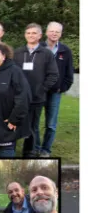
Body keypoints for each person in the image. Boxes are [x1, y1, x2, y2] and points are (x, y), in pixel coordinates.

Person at [13, 23, 59, 158]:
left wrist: (42, 89)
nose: (31, 35)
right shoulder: (17, 53)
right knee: (14, 123)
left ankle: (29, 153)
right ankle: (10, 150)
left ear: (40, 35)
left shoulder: (46, 54)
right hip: (19, 97)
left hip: (37, 97)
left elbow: (53, 75)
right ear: (25, 35)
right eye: (28, 33)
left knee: (33, 127)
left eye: (34, 33)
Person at [0, 44, 31, 157]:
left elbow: (24, 97)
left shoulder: (14, 71)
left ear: (4, 56)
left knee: (6, 155)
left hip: (6, 122)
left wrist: (14, 119)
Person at [39, 21, 74, 157]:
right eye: (52, 31)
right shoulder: (38, 47)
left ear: (60, 34)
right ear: (46, 32)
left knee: (51, 124)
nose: (54, 34)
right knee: (34, 123)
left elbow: (69, 73)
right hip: (39, 91)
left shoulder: (65, 51)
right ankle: (35, 147)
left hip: (55, 93)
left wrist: (62, 88)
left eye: (57, 32)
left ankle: (45, 150)